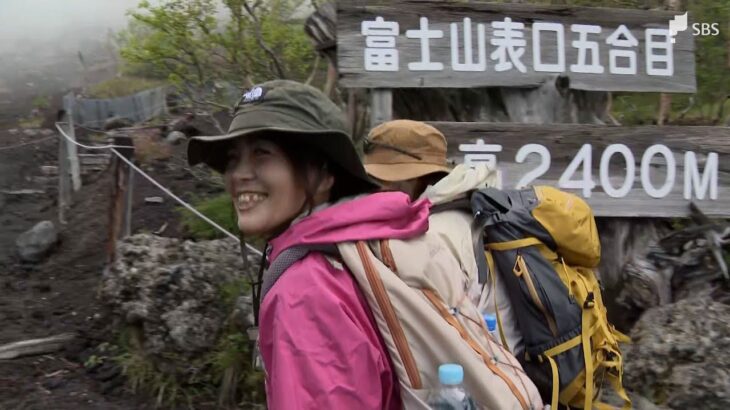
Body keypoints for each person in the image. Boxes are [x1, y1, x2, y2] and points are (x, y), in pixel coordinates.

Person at [187, 81, 433, 409]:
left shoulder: (304, 292)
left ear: (323, 173)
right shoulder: (363, 245)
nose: (239, 174)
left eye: (262, 154)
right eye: (233, 159)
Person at [363, 119, 524, 355]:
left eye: (381, 181)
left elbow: (430, 338)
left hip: (477, 376)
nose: (374, 191)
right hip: (504, 364)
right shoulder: (465, 211)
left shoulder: (432, 235)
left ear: (414, 179)